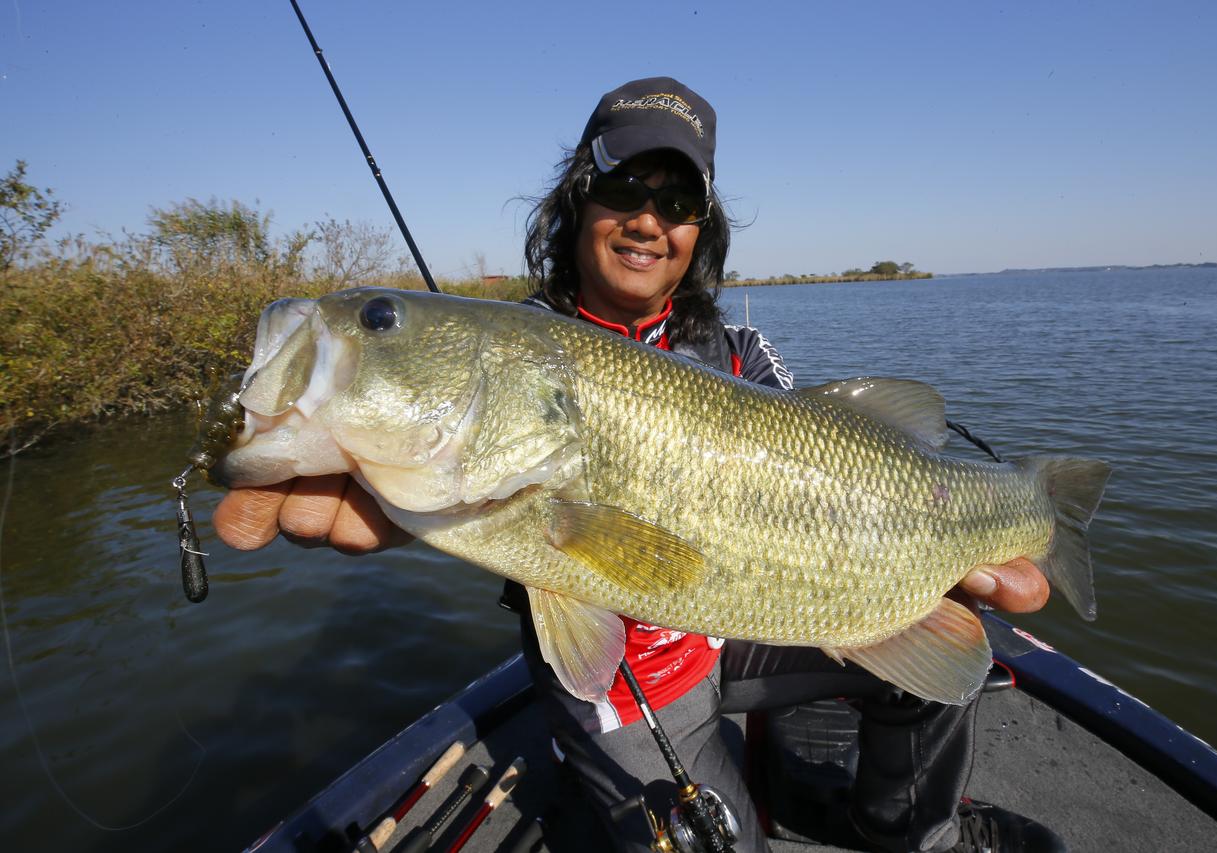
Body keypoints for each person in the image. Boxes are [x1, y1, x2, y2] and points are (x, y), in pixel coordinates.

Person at [213, 77, 1064, 853]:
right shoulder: (519, 341)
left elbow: (833, 449)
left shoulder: (738, 354)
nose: (649, 218)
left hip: (740, 630)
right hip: (626, 684)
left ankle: (920, 835)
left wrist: (936, 543)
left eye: (679, 197)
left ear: (700, 227)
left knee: (948, 662)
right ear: (579, 201)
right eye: (624, 187)